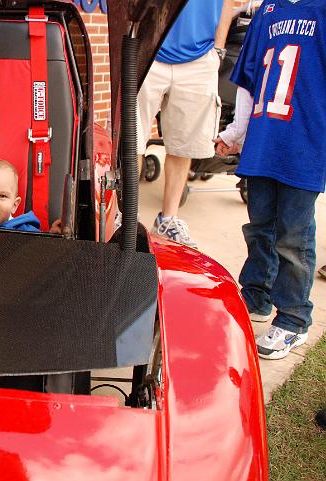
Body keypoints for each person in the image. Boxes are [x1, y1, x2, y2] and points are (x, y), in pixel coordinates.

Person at [215, 0, 326, 360]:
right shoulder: (267, 11)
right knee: (259, 226)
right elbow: (249, 83)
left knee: (293, 237)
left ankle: (294, 318)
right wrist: (235, 132)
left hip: (305, 141)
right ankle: (256, 296)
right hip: (264, 140)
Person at [137, 0, 235, 249]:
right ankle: (126, 216)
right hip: (148, 48)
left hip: (200, 56)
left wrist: (219, 49)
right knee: (132, 140)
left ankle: (168, 219)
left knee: (184, 145)